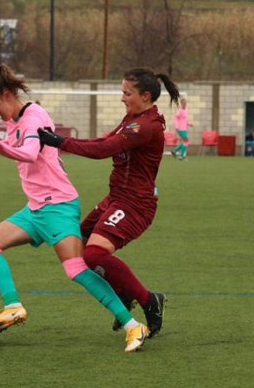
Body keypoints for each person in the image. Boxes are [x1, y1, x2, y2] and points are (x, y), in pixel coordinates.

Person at [0, 64, 149, 353]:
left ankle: (132, 325)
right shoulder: (15, 120)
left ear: (6, 95)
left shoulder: (34, 117)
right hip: (35, 210)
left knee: (76, 269)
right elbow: (14, 140)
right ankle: (14, 307)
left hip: (58, 206)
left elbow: (30, 153)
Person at [38, 67, 180, 338]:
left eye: (127, 93)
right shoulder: (132, 118)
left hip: (135, 205)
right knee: (76, 243)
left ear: (146, 95)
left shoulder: (145, 126)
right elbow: (104, 140)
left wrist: (61, 142)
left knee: (93, 255)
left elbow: (104, 150)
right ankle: (125, 294)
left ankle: (150, 301)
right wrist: (59, 140)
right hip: (116, 199)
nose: (122, 98)